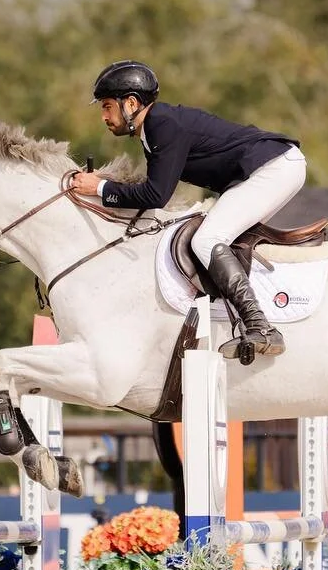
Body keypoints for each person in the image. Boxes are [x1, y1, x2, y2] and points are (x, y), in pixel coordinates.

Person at [69, 59, 307, 359]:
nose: (103, 116)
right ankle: (240, 314)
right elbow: (153, 189)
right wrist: (104, 186)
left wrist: (99, 189)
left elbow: (156, 195)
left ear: (130, 103)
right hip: (272, 166)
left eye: (106, 106)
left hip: (273, 167)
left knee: (206, 240)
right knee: (221, 238)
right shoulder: (154, 128)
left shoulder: (161, 124)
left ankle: (260, 325)